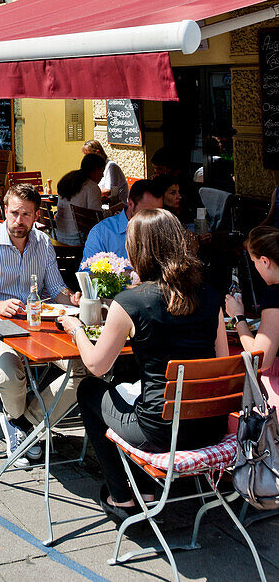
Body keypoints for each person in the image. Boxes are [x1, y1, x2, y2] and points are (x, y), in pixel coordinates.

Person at [62, 209, 229, 518]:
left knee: (89, 389)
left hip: (160, 432)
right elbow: (220, 364)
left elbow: (97, 365)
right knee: (130, 384)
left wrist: (76, 332)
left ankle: (121, 496)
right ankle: (148, 492)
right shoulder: (210, 297)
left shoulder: (131, 301)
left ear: (137, 249)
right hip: (210, 427)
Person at [0, 182, 81, 465]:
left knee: (87, 367)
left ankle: (25, 424)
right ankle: (19, 422)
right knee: (8, 373)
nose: (19, 221)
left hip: (36, 326)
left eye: (26, 214)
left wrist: (73, 299)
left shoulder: (42, 244)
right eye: (15, 213)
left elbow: (56, 289)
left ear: (36, 215)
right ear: (5, 211)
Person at [225, 225, 279, 411]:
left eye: (254, 261)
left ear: (265, 261)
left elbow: (260, 360)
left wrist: (238, 317)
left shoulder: (274, 295)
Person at [80, 178, 164, 261]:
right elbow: (87, 271)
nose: (153, 217)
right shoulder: (102, 233)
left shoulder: (163, 231)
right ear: (130, 204)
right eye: (147, 212)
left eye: (157, 212)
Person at [55, 153, 106, 245]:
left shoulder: (68, 180)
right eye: (101, 172)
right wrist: (114, 210)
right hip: (76, 238)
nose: (102, 176)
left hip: (58, 235)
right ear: (95, 170)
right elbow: (96, 217)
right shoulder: (92, 187)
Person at [82, 139, 128, 207]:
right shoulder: (96, 168)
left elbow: (110, 191)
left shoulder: (111, 166)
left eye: (88, 155)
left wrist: (89, 193)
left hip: (115, 206)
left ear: (97, 152)